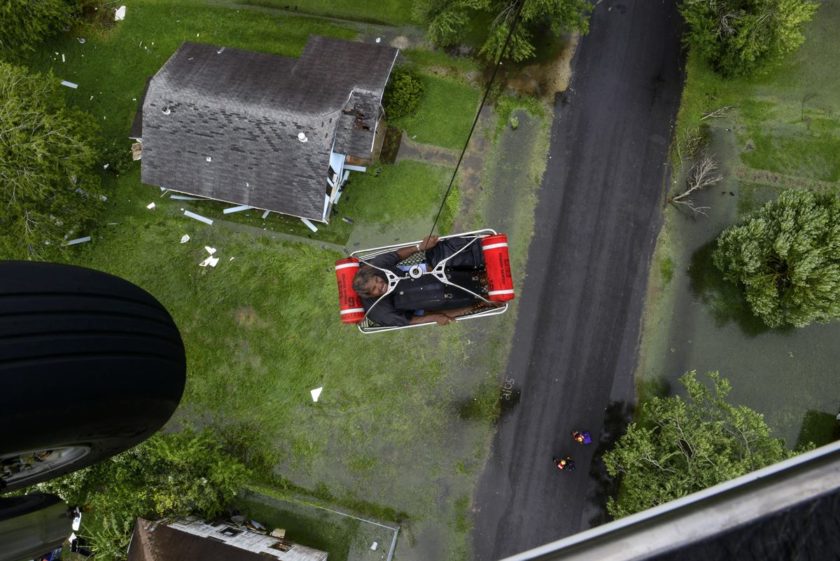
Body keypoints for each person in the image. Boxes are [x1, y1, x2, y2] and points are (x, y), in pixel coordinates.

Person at [352, 235, 489, 327]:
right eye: (375, 289)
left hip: (413, 273)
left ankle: (480, 260)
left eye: (377, 280)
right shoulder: (381, 312)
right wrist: (435, 318)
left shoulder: (376, 266)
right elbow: (410, 320)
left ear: (374, 274)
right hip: (414, 303)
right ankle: (481, 303)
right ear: (370, 295)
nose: (381, 285)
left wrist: (419, 248)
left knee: (438, 256)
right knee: (438, 305)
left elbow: (397, 255)